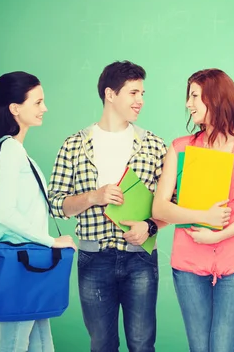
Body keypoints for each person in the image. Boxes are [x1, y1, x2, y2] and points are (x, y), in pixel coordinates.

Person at [152, 68, 234, 352]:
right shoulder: (180, 148)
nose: (188, 104)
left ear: (215, 98)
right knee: (199, 348)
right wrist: (202, 218)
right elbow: (159, 207)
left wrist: (219, 235)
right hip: (188, 263)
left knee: (222, 348)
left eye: (194, 96)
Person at [48, 61, 167, 352]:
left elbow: (173, 203)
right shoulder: (74, 145)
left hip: (140, 258)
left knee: (142, 344)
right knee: (101, 344)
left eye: (142, 93)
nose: (140, 100)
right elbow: (56, 204)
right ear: (110, 94)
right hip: (94, 259)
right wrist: (93, 197)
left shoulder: (154, 145)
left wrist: (149, 226)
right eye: (133, 92)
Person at [0, 71, 76, 352]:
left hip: (28, 264)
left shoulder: (15, 151)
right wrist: (52, 241)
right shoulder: (10, 151)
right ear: (15, 108)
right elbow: (6, 214)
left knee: (42, 346)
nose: (45, 108)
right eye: (38, 102)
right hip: (23, 263)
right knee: (15, 345)